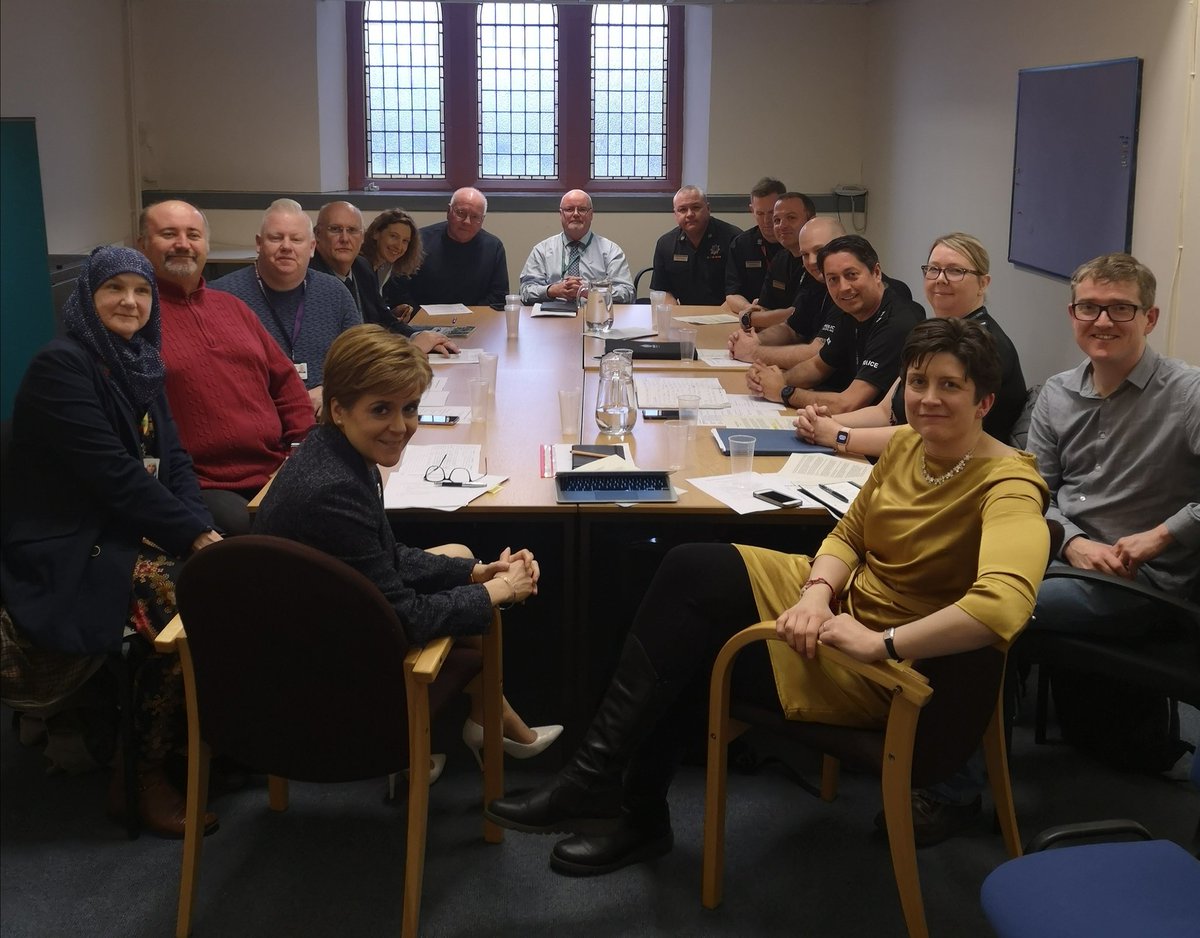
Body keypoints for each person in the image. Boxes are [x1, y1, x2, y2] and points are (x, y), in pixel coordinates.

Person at [485, 317, 1049, 877]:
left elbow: (1003, 606)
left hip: (885, 661)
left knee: (691, 640)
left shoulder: (1008, 485)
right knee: (690, 568)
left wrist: (883, 643)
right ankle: (599, 782)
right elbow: (849, 534)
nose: (928, 399)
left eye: (950, 386)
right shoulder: (907, 445)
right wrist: (816, 594)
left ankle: (627, 806)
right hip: (840, 610)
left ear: (985, 402)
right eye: (919, 382)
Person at [254, 325, 561, 773]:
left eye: (410, 408)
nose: (401, 427)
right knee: (477, 604)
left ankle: (485, 718)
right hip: (323, 666)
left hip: (319, 617)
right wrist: (497, 592)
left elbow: (384, 556)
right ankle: (458, 728)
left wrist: (478, 573)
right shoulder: (333, 490)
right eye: (382, 410)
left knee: (458, 556)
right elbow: (404, 619)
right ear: (338, 409)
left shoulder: (333, 452)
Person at [0, 246, 222, 837]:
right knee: (181, 602)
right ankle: (140, 774)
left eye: (141, 291)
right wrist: (196, 536)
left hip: (126, 526)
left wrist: (204, 528)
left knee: (226, 574)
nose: (130, 301)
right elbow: (113, 475)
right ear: (87, 299)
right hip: (70, 543)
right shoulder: (62, 366)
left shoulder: (141, 362)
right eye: (114, 289)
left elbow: (173, 462)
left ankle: (204, 740)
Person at [137, 199, 314, 536]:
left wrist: (299, 449)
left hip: (274, 467)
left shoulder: (233, 307)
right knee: (267, 532)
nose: (183, 244)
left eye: (193, 234)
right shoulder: (139, 318)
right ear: (142, 245)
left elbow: (286, 384)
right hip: (205, 483)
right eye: (168, 234)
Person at [796, 233, 1027, 457]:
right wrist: (822, 422)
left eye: (956, 271)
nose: (941, 279)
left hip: (962, 474)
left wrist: (840, 436)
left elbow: (929, 435)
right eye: (934, 269)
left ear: (983, 283)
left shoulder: (986, 346)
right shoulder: (930, 334)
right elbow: (885, 412)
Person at [210, 199, 362, 418]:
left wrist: (330, 392)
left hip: (323, 420)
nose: (286, 247)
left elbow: (360, 362)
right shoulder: (221, 297)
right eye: (276, 238)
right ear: (259, 244)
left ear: (311, 248)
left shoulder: (334, 293)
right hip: (249, 420)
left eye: (296, 239)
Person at [747, 234, 925, 413]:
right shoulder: (850, 311)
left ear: (876, 273)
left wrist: (784, 392)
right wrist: (773, 379)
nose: (844, 287)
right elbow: (817, 366)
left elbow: (849, 402)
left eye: (851, 275)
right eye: (833, 279)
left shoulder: (898, 323)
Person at [311, 201, 456, 356]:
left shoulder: (362, 267)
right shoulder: (311, 280)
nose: (345, 238)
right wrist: (411, 350)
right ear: (318, 235)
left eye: (352, 230)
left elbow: (385, 319)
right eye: (335, 229)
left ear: (362, 237)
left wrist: (418, 336)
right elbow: (341, 350)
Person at [728, 207, 840, 358]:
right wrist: (753, 341)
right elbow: (791, 329)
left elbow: (818, 353)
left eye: (820, 251)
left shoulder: (847, 290)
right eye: (805, 255)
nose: (812, 261)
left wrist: (755, 351)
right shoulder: (816, 281)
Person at [518, 189, 634, 306]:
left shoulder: (611, 251)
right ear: (561, 214)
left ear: (591, 214)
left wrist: (589, 291)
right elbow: (525, 291)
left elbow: (627, 292)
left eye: (582, 209)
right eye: (569, 209)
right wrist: (552, 290)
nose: (576, 214)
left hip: (596, 315)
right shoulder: (542, 250)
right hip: (553, 316)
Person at [410, 188, 510, 308]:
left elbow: (499, 296)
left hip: (477, 320)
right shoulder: (420, 241)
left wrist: (470, 316)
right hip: (423, 320)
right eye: (461, 213)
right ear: (448, 211)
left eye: (475, 217)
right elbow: (397, 290)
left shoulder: (493, 248)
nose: (467, 222)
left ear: (482, 220)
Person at [649, 185, 741, 306]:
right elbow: (664, 291)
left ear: (708, 209)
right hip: (686, 316)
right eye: (682, 210)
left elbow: (741, 290)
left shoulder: (734, 239)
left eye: (696, 207)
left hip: (726, 313)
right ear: (675, 214)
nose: (689, 214)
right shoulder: (665, 244)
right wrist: (675, 315)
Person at [724, 177, 790, 314]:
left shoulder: (797, 244)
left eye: (772, 213)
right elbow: (732, 294)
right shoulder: (741, 244)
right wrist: (749, 309)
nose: (767, 221)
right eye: (760, 213)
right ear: (751, 210)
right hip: (751, 315)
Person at [361, 207, 423, 319]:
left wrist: (391, 314)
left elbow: (373, 313)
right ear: (376, 233)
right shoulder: (360, 266)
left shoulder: (385, 267)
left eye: (405, 241)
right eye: (393, 236)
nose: (399, 246)